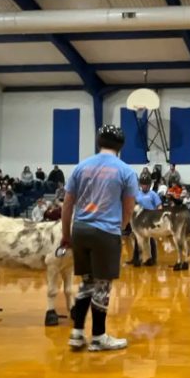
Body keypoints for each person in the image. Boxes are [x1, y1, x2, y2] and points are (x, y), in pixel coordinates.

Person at [60, 124, 139, 353]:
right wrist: (119, 229)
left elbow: (67, 205)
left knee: (87, 282)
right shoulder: (125, 171)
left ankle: (76, 334)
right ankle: (98, 337)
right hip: (106, 232)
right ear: (121, 146)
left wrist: (67, 235)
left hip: (81, 230)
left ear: (98, 142)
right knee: (102, 284)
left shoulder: (81, 167)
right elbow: (128, 208)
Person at [132, 175, 162, 266]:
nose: (144, 186)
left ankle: (152, 258)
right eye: (143, 184)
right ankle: (136, 258)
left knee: (151, 239)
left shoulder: (153, 194)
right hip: (139, 220)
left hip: (150, 219)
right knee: (138, 239)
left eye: (146, 184)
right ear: (140, 185)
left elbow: (159, 206)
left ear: (149, 185)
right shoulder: (137, 194)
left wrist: (158, 217)